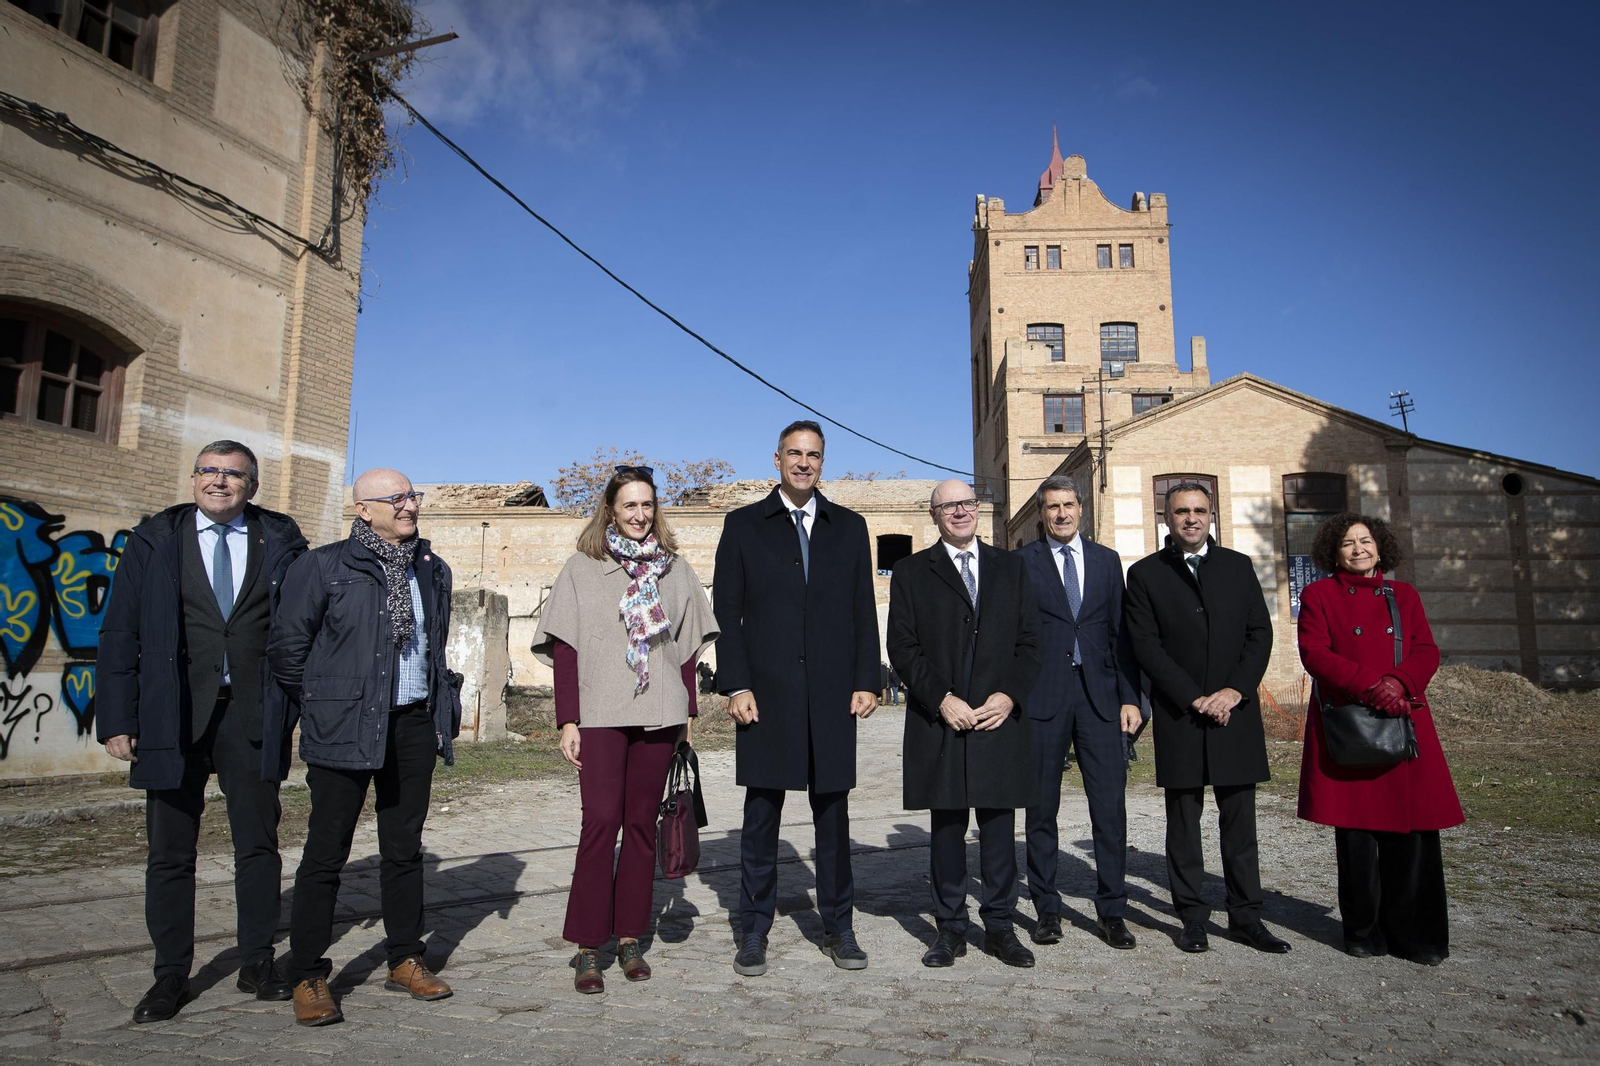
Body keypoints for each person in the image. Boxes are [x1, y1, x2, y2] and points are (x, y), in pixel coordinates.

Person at [97, 441, 307, 1023]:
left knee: (258, 845)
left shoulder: (283, 541)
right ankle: (169, 977)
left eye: (233, 474)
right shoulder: (155, 540)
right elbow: (120, 633)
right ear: (193, 479)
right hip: (171, 716)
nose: (220, 481)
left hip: (252, 715)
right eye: (209, 471)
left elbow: (304, 627)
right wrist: (117, 718)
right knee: (169, 852)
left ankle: (258, 962)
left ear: (252, 485)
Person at [267, 468, 462, 1025]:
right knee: (326, 854)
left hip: (412, 725)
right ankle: (306, 972)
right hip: (344, 727)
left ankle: (404, 958)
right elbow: (288, 650)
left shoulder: (432, 568)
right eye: (396, 498)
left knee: (404, 848)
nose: (409, 505)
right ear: (363, 509)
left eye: (412, 495)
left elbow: (432, 646)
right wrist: (326, 705)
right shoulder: (322, 566)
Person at [532, 466, 718, 993]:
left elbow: (685, 653)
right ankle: (589, 946)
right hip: (601, 714)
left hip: (660, 713)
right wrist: (567, 719)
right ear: (610, 510)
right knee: (600, 824)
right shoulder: (581, 568)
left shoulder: (675, 571)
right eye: (629, 506)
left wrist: (686, 721)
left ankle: (630, 936)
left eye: (647, 506)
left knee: (640, 826)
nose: (640, 515)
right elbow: (565, 649)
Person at [712, 420, 880, 976]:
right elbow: (727, 615)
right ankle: (753, 930)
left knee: (834, 819)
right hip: (766, 696)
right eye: (794, 454)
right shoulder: (742, 526)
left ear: (822, 463)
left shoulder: (850, 527)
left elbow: (863, 609)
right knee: (761, 819)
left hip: (833, 696)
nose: (804, 463)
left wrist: (867, 679)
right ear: (777, 460)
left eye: (813, 455)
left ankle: (840, 926)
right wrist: (736, 684)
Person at [1123, 482, 1290, 955]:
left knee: (1240, 823)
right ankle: (1192, 916)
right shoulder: (1145, 574)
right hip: (1183, 716)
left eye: (1199, 510)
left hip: (1235, 713)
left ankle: (1245, 916)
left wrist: (1234, 690)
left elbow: (1259, 633)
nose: (1191, 519)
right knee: (1184, 822)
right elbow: (1146, 646)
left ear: (1211, 515)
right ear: (1167, 518)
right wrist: (1194, 698)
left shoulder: (1238, 567)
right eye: (1181, 511)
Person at [886, 479, 1042, 968]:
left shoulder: (1010, 567)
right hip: (943, 721)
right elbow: (902, 648)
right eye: (949, 505)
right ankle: (949, 929)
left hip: (999, 719)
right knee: (948, 829)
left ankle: (1000, 927)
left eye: (967, 503)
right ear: (933, 515)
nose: (960, 512)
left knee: (999, 829)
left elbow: (1031, 641)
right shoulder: (912, 571)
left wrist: (1009, 694)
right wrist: (941, 699)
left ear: (979, 510)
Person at [1296, 512, 1463, 965]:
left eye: (1365, 541)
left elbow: (1426, 649)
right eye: (1347, 543)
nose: (1357, 549)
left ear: (1379, 547)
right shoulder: (1318, 594)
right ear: (1334, 552)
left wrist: (1400, 684)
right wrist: (1372, 688)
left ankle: (1418, 937)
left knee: (1413, 836)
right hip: (1351, 720)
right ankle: (1362, 933)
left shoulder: (1404, 594)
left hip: (1403, 717)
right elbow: (1315, 653)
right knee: (1356, 836)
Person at [1016, 476, 1142, 950]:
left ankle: (1113, 911)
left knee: (1109, 810)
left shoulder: (1108, 562)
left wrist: (1131, 697)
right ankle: (1047, 911)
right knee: (1040, 810)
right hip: (1043, 700)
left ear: (1082, 508)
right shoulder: (1022, 563)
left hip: (1101, 699)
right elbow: (1014, 636)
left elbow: (1121, 635)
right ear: (1041, 513)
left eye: (1069, 505)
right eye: (1052, 507)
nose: (1062, 514)